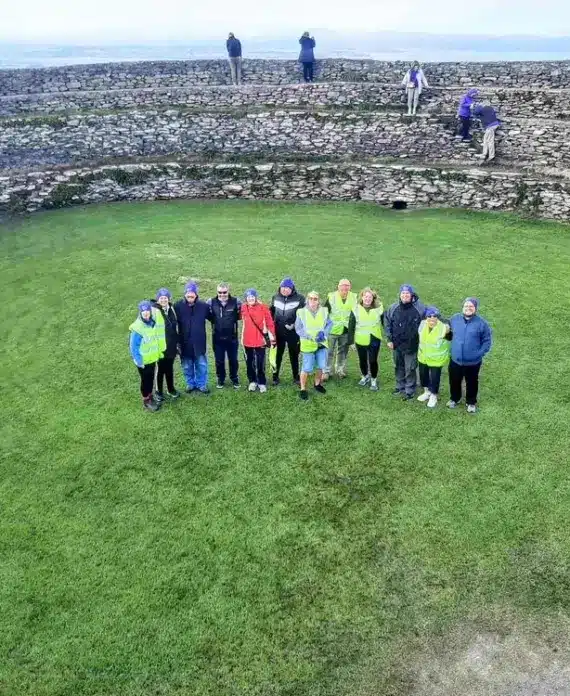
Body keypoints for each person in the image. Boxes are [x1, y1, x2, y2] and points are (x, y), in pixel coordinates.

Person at [447, 298, 492, 413]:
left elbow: (487, 341)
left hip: (473, 362)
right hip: (455, 359)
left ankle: (471, 402)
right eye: (466, 306)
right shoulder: (454, 319)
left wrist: (479, 353)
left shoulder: (482, 323)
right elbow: (448, 332)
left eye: (471, 306)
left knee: (472, 382)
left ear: (475, 309)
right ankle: (454, 399)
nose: (468, 308)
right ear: (462, 308)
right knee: (454, 380)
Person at [384, 284, 426, 400]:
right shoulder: (393, 308)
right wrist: (389, 339)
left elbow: (428, 322)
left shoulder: (420, 308)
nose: (405, 295)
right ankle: (400, 387)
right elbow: (387, 323)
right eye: (403, 293)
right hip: (396, 344)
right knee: (398, 366)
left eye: (407, 293)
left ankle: (410, 390)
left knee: (410, 368)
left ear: (412, 295)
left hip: (412, 345)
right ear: (400, 295)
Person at [174, 281, 211, 395]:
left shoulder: (203, 306)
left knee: (202, 365)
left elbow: (214, 318)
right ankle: (190, 384)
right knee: (186, 366)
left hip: (199, 342)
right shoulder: (177, 306)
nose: (190, 297)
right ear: (185, 294)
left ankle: (201, 384)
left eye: (192, 294)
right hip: (184, 343)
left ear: (196, 294)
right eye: (188, 294)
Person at [129, 300, 166, 412]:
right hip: (143, 361)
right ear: (140, 312)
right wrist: (139, 361)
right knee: (146, 381)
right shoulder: (137, 328)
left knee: (150, 379)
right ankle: (146, 400)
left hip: (151, 358)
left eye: (147, 311)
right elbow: (133, 347)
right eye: (143, 312)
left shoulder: (152, 322)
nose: (146, 313)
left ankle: (150, 397)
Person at [295, 291, 332, 401]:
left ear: (318, 300)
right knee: (306, 368)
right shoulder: (301, 312)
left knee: (321, 366)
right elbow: (298, 328)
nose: (312, 301)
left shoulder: (324, 311)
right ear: (307, 299)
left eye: (315, 299)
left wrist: (324, 333)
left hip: (321, 344)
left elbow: (329, 323)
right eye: (310, 298)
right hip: (308, 345)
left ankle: (317, 384)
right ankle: (302, 389)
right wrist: (310, 337)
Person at [270, 277, 305, 386]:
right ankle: (275, 377)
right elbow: (271, 313)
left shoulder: (300, 298)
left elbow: (303, 315)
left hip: (293, 333)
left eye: (287, 288)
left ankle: (296, 377)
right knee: (277, 355)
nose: (285, 290)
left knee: (294, 355)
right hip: (278, 332)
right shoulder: (275, 297)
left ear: (292, 288)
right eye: (283, 287)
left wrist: (294, 325)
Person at [348, 287, 384, 392]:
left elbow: (385, 323)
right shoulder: (355, 309)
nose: (368, 299)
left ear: (373, 298)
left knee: (373, 360)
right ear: (362, 297)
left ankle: (373, 379)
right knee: (362, 360)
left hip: (374, 339)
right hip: (360, 339)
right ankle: (365, 375)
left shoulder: (379, 309)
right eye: (366, 296)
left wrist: (390, 337)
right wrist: (351, 342)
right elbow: (351, 326)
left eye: (370, 297)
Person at [240, 289, 276, 393]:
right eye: (248, 297)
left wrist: (272, 338)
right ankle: (252, 381)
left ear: (256, 297)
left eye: (252, 296)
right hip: (247, 341)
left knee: (260, 363)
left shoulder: (263, 307)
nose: (250, 298)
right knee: (249, 362)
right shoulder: (243, 307)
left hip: (260, 341)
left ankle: (261, 382)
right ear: (246, 298)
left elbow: (270, 323)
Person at [208, 282, 241, 389]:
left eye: (224, 292)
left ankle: (234, 378)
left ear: (228, 291)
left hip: (232, 338)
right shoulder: (211, 302)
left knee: (233, 360)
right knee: (219, 361)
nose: (222, 294)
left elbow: (243, 313)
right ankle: (221, 379)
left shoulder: (236, 302)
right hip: (217, 338)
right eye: (219, 292)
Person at [417, 306, 451, 408]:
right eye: (429, 316)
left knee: (435, 378)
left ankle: (433, 395)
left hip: (437, 359)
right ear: (426, 317)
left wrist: (449, 332)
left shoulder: (444, 327)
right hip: (423, 357)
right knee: (423, 375)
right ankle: (426, 391)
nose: (432, 318)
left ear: (438, 317)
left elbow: (450, 337)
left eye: (434, 316)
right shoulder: (422, 324)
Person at [324, 278, 357, 380]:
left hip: (346, 329)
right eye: (342, 285)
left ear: (350, 287)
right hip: (332, 329)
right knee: (329, 351)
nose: (344, 287)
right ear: (338, 286)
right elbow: (325, 312)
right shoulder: (331, 297)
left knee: (343, 351)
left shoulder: (354, 297)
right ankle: (326, 371)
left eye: (347, 285)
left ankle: (340, 369)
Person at [153, 288, 181, 403]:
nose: (164, 300)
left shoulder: (172, 309)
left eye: (165, 298)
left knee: (169, 368)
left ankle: (171, 389)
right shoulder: (154, 311)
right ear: (158, 299)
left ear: (168, 299)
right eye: (161, 298)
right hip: (160, 347)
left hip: (172, 346)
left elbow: (176, 327)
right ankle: (158, 391)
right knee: (160, 369)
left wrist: (177, 344)